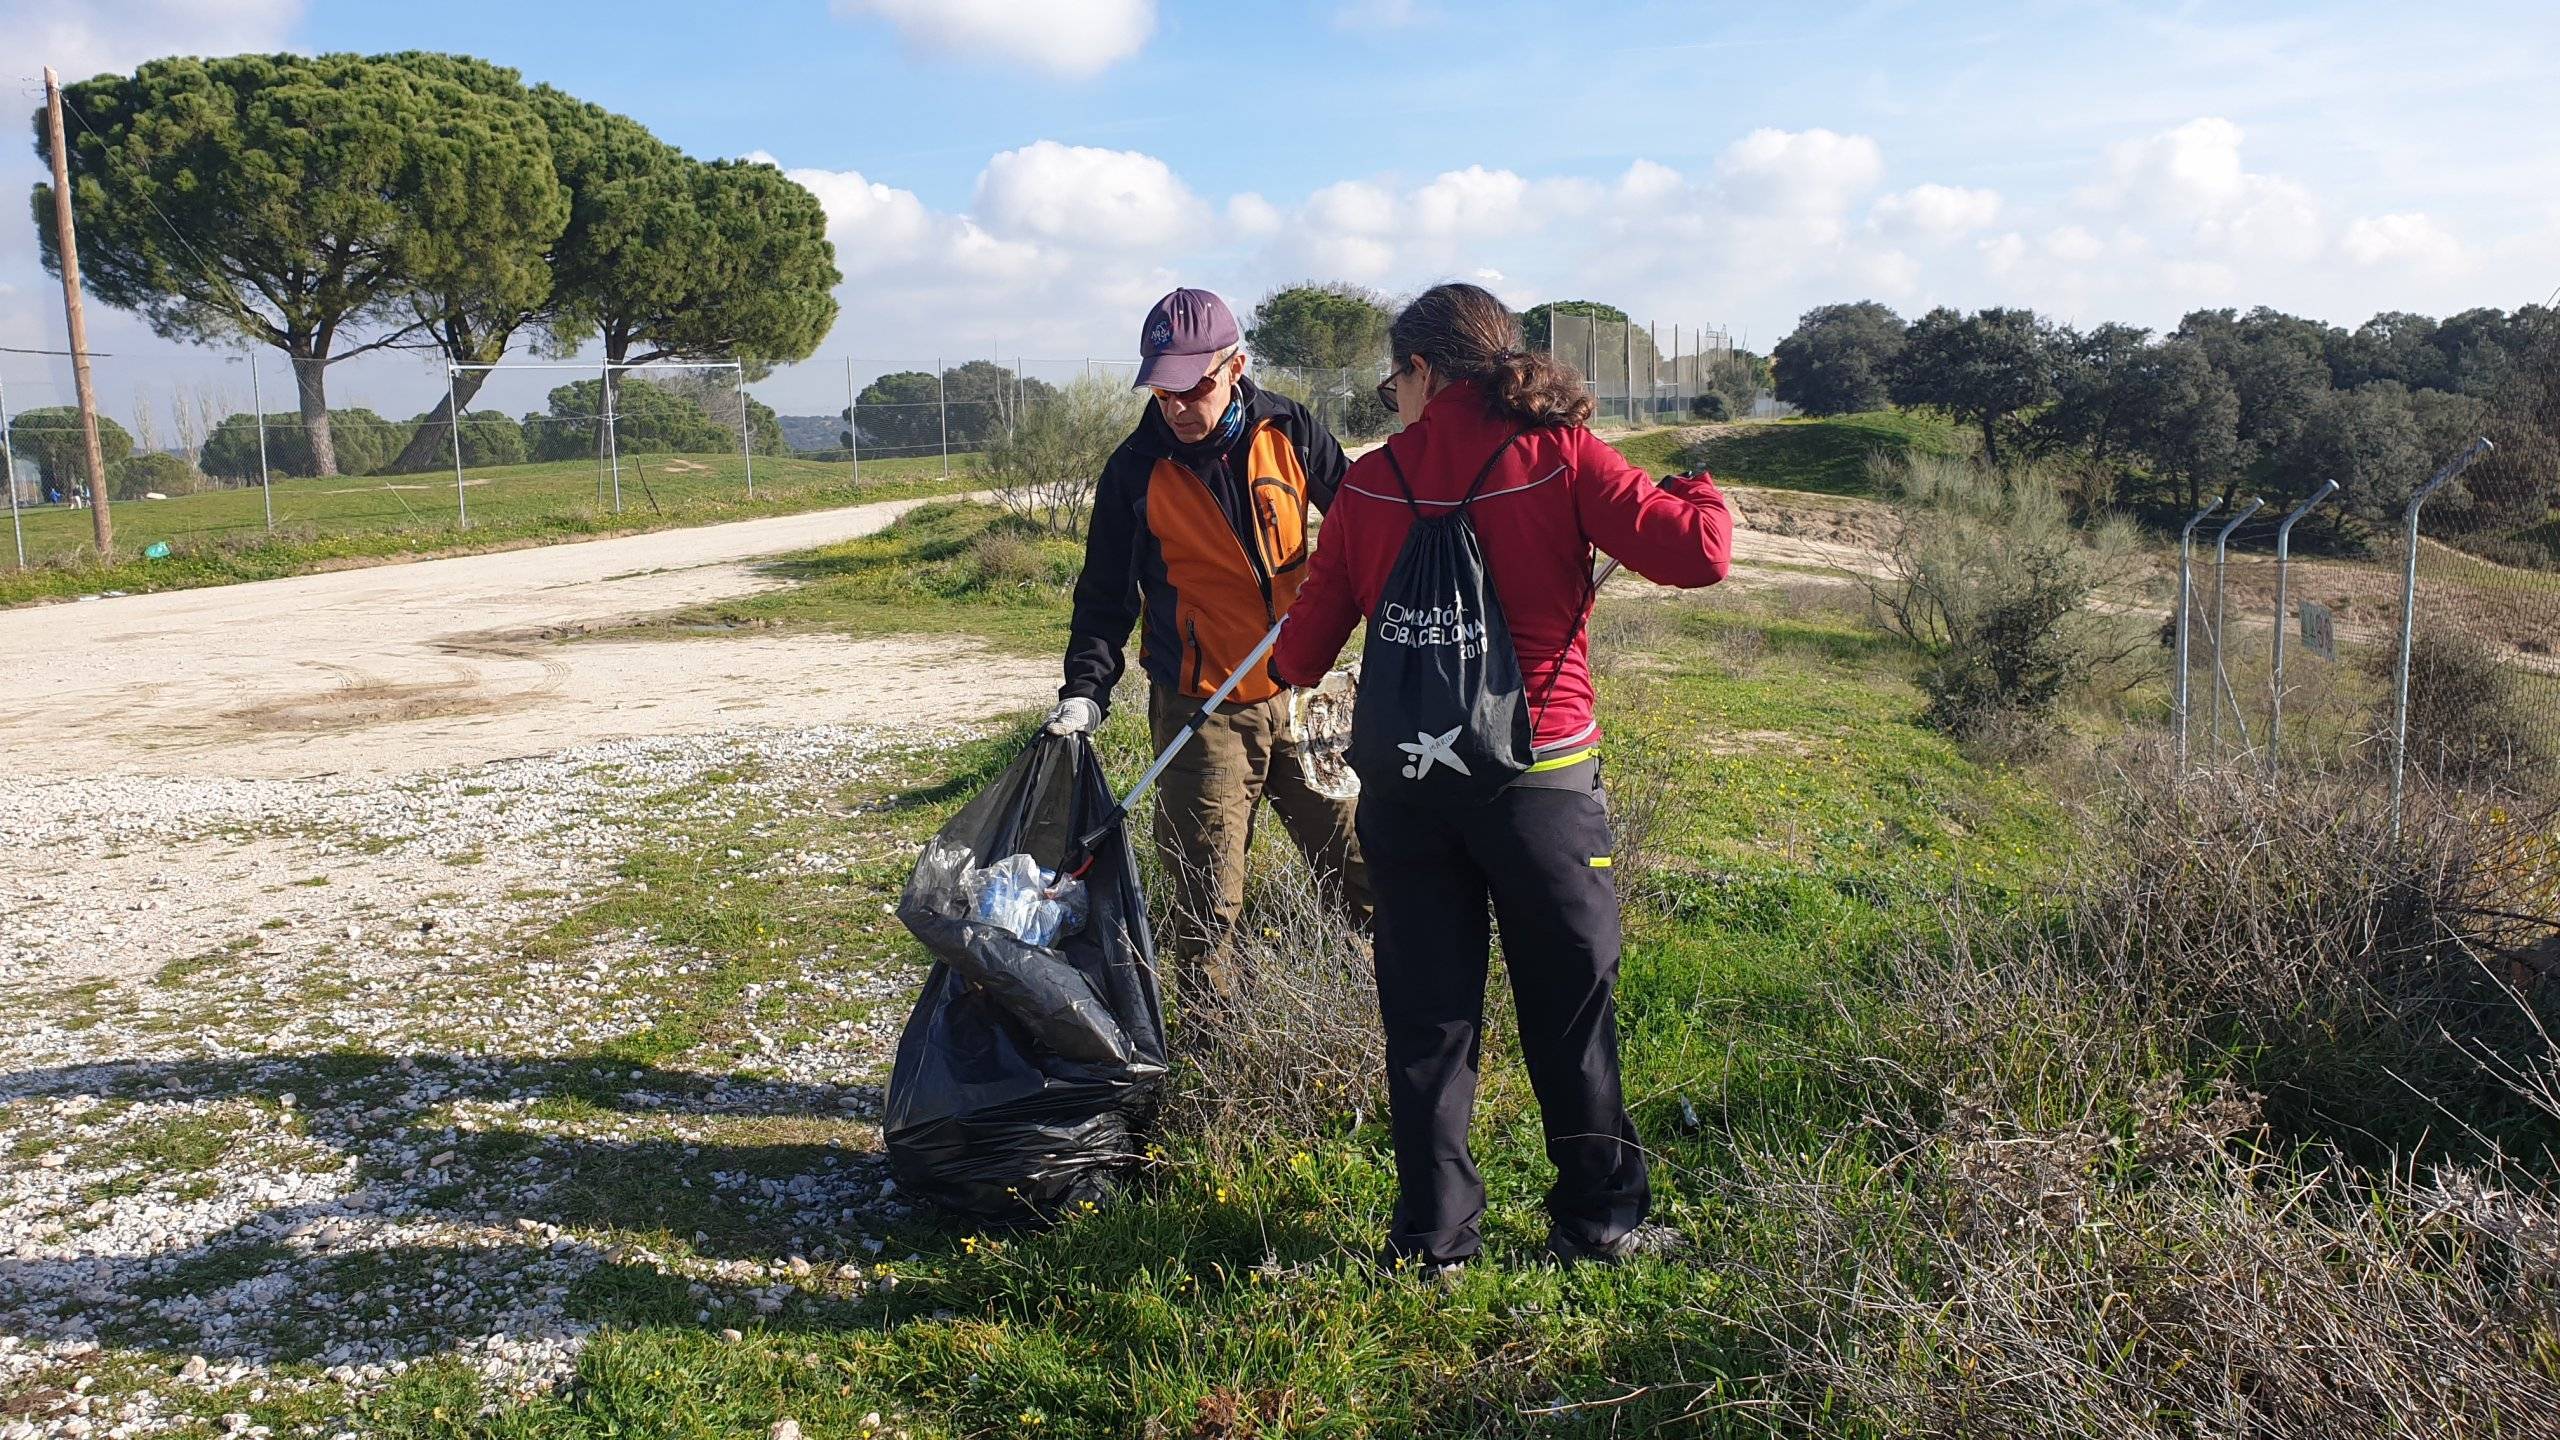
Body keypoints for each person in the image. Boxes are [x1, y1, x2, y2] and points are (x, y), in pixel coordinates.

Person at [1270, 282, 1733, 1269]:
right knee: (1570, 1011)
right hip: (1544, 786)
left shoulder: (1368, 483)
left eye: (1394, 377)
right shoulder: (1559, 455)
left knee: (1428, 1022)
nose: (1391, 396)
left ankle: (1432, 1244)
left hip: (1405, 795)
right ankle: (1599, 1225)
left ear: (1425, 371)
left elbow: (1301, 659)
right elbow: (1697, 555)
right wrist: (1696, 486)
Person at [1046, 287, 1372, 996]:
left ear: (1236, 366)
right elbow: (1105, 596)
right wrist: (1084, 692)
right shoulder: (1135, 469)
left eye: (1193, 386)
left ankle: (1384, 1020)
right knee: (1205, 900)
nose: (1176, 406)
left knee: (1358, 865)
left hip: (1306, 691)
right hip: (1203, 709)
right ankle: (1212, 1049)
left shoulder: (1290, 429)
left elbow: (1361, 528)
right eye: (1162, 389)